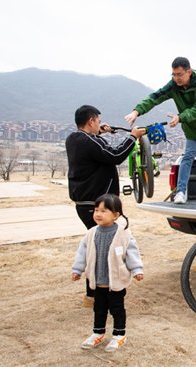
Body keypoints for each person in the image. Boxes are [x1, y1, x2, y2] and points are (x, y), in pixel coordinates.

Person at [66, 105, 145, 305]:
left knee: (97, 245)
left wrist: (101, 132)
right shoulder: (88, 141)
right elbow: (115, 155)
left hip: (84, 203)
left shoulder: (74, 139)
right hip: (97, 205)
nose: (100, 124)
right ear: (91, 121)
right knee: (103, 249)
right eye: (98, 121)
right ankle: (98, 295)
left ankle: (92, 295)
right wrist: (132, 137)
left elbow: (97, 148)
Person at [124, 57, 196, 204]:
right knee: (187, 157)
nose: (176, 78)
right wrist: (136, 111)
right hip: (191, 127)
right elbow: (155, 97)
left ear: (189, 72)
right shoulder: (173, 85)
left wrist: (180, 117)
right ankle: (181, 192)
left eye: (179, 74)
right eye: (174, 75)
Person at [72, 194, 144, 353]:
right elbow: (82, 253)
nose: (98, 214)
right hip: (98, 281)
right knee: (99, 308)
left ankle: (119, 334)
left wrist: (137, 269)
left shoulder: (123, 234)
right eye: (96, 210)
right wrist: (77, 269)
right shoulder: (91, 233)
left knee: (117, 308)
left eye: (104, 211)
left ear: (116, 215)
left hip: (116, 282)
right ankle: (98, 332)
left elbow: (132, 252)